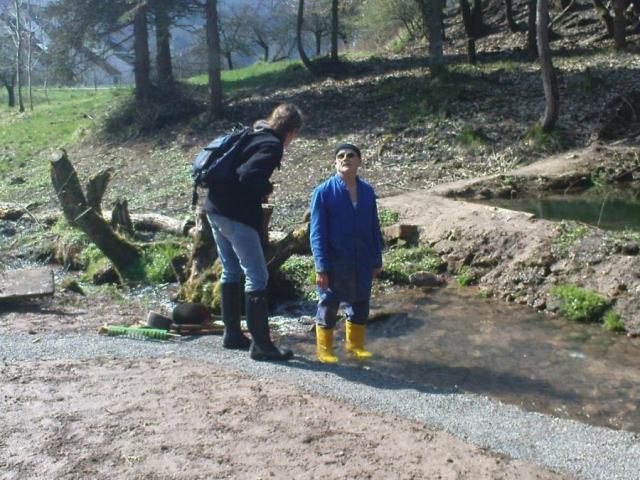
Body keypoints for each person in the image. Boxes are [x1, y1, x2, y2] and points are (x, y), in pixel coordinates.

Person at [205, 103, 303, 361]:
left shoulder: (254, 133)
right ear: (291, 131)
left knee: (231, 270)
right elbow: (248, 175)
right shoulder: (272, 146)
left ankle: (232, 334)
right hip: (236, 215)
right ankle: (261, 345)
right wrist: (266, 188)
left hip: (214, 209)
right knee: (257, 276)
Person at [309, 143, 383, 364]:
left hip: (361, 259)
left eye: (351, 155)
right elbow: (316, 232)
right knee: (329, 305)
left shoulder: (368, 192)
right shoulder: (323, 192)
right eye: (340, 156)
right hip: (334, 261)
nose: (345, 159)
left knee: (360, 303)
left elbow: (373, 227)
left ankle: (355, 347)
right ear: (335, 163)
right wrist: (321, 267)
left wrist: (376, 259)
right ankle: (324, 349)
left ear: (359, 161)